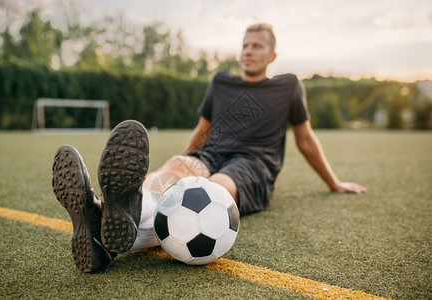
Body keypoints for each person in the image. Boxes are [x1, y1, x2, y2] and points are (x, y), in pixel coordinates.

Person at [52, 23, 366, 273]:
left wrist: (333, 183)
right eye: (245, 45)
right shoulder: (221, 82)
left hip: (253, 164)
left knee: (209, 191)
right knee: (173, 169)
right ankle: (130, 204)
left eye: (257, 46)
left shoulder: (287, 86)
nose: (248, 51)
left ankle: (104, 230)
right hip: (211, 152)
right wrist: (184, 160)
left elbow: (306, 139)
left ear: (272, 56)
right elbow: (202, 132)